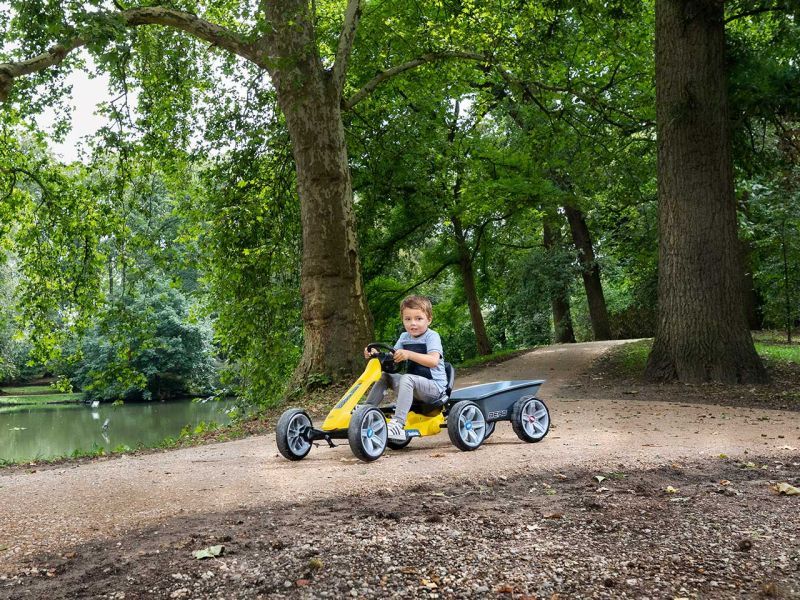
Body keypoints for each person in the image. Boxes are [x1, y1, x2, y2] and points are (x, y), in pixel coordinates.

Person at [364, 295, 448, 442]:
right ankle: (367, 410)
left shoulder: (432, 336)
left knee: (407, 378)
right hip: (413, 386)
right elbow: (393, 357)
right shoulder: (404, 337)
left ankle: (398, 423)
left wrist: (408, 354)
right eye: (407, 319)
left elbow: (434, 361)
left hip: (434, 388)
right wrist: (376, 354)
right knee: (385, 376)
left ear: (429, 319)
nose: (413, 324)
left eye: (418, 319)